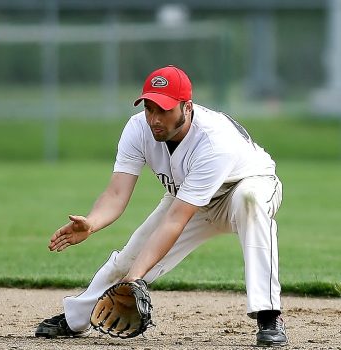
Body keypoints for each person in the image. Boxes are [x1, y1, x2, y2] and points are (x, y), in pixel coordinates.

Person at [34, 65, 287, 347]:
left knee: (249, 202)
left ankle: (269, 314)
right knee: (130, 258)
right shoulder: (137, 129)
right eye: (149, 108)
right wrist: (92, 222)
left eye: (164, 110)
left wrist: (135, 280)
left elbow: (175, 220)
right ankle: (78, 317)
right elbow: (117, 193)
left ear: (187, 107)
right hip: (187, 198)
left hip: (243, 186)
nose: (154, 118)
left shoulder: (215, 142)